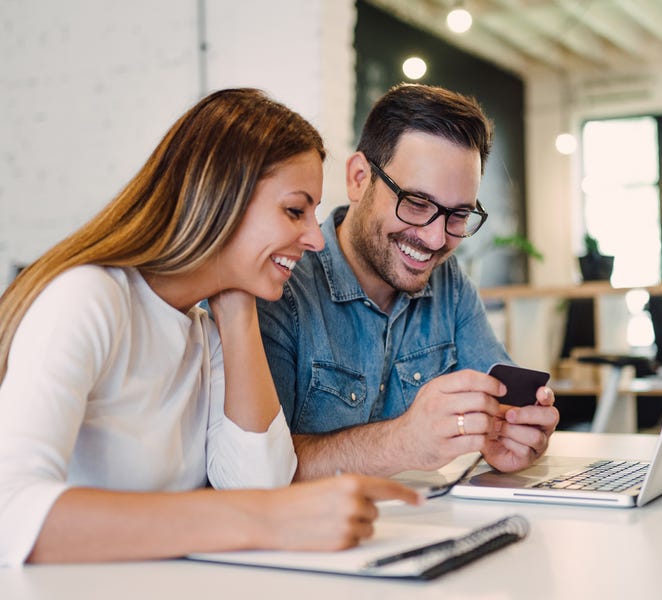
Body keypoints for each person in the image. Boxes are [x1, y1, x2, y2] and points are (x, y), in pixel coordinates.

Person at [0, 88, 419, 567]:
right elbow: (9, 511)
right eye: (294, 210)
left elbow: (258, 484)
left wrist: (236, 302)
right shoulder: (90, 298)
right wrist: (266, 519)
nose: (314, 240)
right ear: (221, 196)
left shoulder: (206, 331)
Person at [257, 83, 559, 481]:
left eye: (458, 215)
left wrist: (517, 435)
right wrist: (403, 440)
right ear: (360, 178)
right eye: (416, 204)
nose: (435, 240)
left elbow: (504, 406)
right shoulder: (280, 284)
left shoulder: (449, 283)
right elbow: (259, 467)